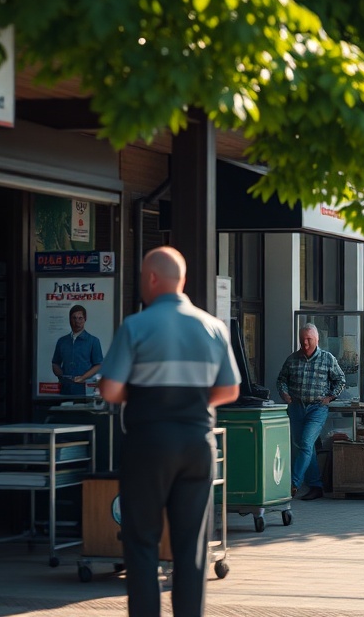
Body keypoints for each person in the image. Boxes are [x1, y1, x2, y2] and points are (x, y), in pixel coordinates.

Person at [99, 247, 240, 617]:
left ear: (151, 278)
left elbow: (110, 389)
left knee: (141, 542)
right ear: (183, 280)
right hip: (197, 442)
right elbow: (229, 391)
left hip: (148, 442)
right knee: (191, 546)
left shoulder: (136, 325)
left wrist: (148, 392)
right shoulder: (213, 326)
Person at [276, 323, 347, 501]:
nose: (305, 343)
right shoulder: (292, 359)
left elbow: (340, 380)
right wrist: (284, 393)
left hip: (317, 408)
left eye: (309, 339)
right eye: (302, 339)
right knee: (304, 447)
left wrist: (330, 397)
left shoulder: (327, 358)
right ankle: (316, 486)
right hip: (297, 407)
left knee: (307, 444)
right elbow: (281, 379)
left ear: (317, 339)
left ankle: (293, 484)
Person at [51, 304, 104, 396]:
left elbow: (98, 365)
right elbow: (55, 363)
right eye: (74, 318)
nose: (77, 321)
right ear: (69, 320)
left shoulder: (93, 341)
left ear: (85, 319)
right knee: (65, 410)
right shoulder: (62, 341)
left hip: (84, 390)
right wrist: (62, 376)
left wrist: (83, 378)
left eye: (80, 318)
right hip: (65, 390)